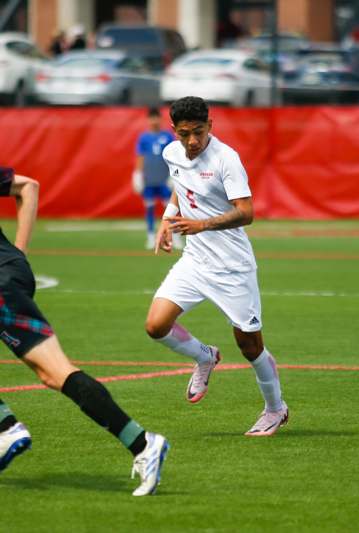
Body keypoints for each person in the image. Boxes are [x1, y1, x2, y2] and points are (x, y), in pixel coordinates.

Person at [0, 167, 169, 495]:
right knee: (55, 374)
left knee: (56, 372)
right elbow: (29, 186)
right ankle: (143, 444)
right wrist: (18, 256)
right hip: (11, 275)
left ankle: (6, 428)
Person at [145, 96, 288, 436]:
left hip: (232, 267)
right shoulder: (171, 153)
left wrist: (202, 224)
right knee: (156, 325)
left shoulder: (226, 159)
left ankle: (276, 409)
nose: (192, 141)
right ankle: (205, 356)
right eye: (184, 134)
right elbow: (181, 188)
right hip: (195, 261)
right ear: (174, 131)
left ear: (211, 125)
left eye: (198, 132)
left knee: (250, 346)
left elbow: (247, 212)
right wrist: (168, 219)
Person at [133, 107, 180, 250]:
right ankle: (151, 237)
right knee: (149, 208)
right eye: (151, 117)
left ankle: (175, 237)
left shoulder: (167, 136)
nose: (154, 120)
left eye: (156, 117)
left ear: (160, 118)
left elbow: (175, 156)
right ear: (148, 120)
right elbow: (140, 156)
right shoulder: (144, 138)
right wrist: (137, 174)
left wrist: (174, 175)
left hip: (164, 178)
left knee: (171, 207)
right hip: (149, 179)